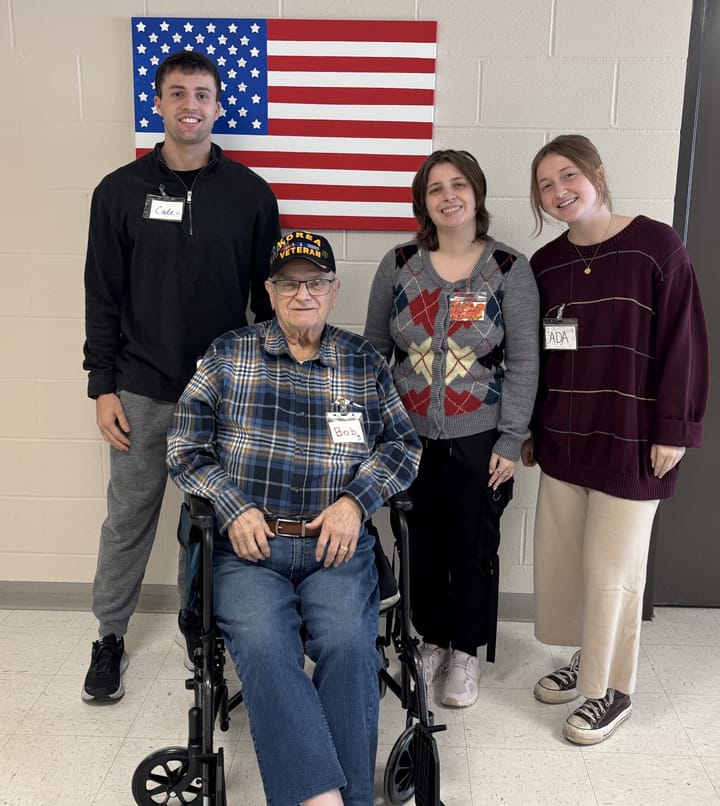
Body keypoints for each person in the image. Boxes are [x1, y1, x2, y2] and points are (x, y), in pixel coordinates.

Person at [166, 231, 422, 806]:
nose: (302, 293)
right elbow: (184, 446)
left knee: (350, 647)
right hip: (249, 548)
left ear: (334, 291)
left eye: (315, 283)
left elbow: (403, 447)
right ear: (270, 291)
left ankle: (337, 798)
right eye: (289, 283)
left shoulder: (362, 361)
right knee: (264, 646)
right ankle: (323, 800)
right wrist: (232, 507)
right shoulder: (229, 353)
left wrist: (355, 502)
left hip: (336, 546)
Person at [81, 50, 280, 702]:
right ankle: (109, 637)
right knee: (127, 518)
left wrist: (263, 383)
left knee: (211, 519)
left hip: (223, 394)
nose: (189, 105)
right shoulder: (118, 192)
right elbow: (102, 295)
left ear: (218, 106)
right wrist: (102, 386)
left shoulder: (251, 194)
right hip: (140, 389)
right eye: (177, 93)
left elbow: (267, 302)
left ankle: (201, 624)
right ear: (158, 103)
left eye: (201, 94)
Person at [523, 134, 710, 745]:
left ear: (597, 174)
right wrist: (529, 430)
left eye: (568, 175)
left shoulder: (657, 246)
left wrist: (675, 429)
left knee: (614, 573)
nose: (558, 191)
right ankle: (588, 660)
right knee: (570, 567)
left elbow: (684, 341)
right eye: (545, 185)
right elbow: (534, 359)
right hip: (563, 444)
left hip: (633, 443)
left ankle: (613, 691)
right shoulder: (545, 266)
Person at [364, 149, 539, 707]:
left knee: (472, 543)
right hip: (407, 436)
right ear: (423, 201)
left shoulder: (508, 269)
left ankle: (465, 649)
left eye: (458, 185)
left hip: (479, 436)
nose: (448, 197)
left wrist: (511, 438)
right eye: (435, 188)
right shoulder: (399, 263)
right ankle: (432, 639)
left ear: (477, 193)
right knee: (419, 542)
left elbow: (525, 362)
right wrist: (372, 428)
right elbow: (373, 351)